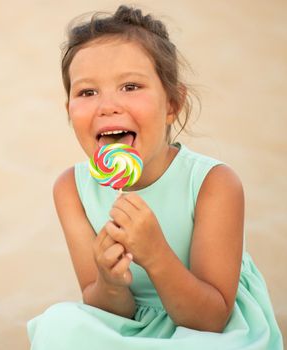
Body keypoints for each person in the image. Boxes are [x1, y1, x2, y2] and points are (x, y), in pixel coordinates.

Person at [27, 5, 282, 349]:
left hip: (205, 326)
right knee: (58, 324)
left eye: (130, 86)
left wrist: (155, 253)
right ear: (69, 110)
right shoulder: (70, 189)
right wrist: (110, 281)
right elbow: (109, 311)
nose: (107, 105)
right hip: (133, 326)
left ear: (173, 104)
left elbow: (212, 319)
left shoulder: (213, 183)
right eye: (87, 92)